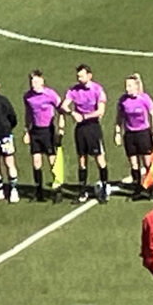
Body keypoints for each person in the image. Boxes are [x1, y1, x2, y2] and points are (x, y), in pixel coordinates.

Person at [62, 64, 110, 203]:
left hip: (93, 127)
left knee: (99, 158)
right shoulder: (73, 90)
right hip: (80, 129)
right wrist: (72, 112)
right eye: (78, 76)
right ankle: (82, 191)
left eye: (81, 75)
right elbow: (64, 105)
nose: (79, 78)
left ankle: (104, 188)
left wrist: (84, 116)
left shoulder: (97, 89)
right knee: (82, 160)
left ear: (89, 75)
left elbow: (100, 111)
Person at [114, 73, 153, 200]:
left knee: (147, 163)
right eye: (126, 86)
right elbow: (119, 117)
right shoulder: (123, 100)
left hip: (143, 133)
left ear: (136, 86)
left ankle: (151, 189)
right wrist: (117, 132)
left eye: (129, 85)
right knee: (134, 164)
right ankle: (137, 188)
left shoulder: (144, 99)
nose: (127, 88)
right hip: (130, 135)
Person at [22, 69, 64, 202]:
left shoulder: (50, 94)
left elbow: (61, 110)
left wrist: (60, 129)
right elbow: (28, 114)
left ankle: (57, 189)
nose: (33, 84)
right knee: (36, 162)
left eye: (35, 81)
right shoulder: (28, 96)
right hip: (35, 131)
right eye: (31, 81)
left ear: (42, 81)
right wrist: (26, 131)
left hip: (48, 131)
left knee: (52, 161)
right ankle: (38, 189)